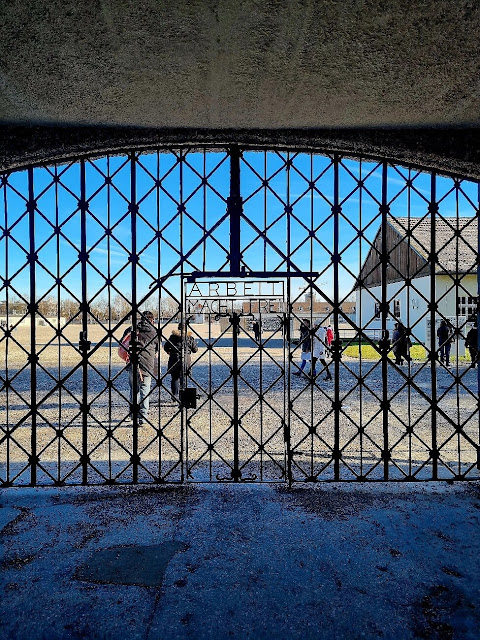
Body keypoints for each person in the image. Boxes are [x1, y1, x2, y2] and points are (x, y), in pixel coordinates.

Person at [121, 311, 159, 425]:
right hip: (147, 364)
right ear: (152, 320)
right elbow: (157, 348)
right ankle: (143, 417)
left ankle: (133, 414)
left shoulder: (131, 329)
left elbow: (122, 343)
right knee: (145, 391)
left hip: (132, 363)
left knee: (134, 390)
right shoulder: (154, 332)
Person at [164, 322, 198, 400]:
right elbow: (195, 350)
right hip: (186, 360)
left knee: (175, 378)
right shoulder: (189, 337)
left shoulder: (172, 337)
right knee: (184, 378)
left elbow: (166, 347)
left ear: (178, 328)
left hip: (174, 359)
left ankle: (174, 395)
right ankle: (183, 396)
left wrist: (170, 352)